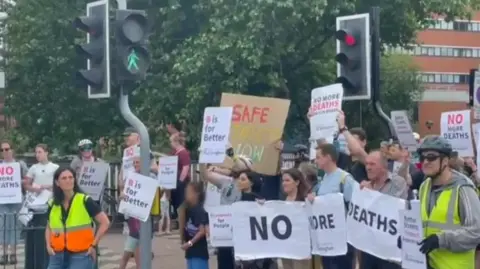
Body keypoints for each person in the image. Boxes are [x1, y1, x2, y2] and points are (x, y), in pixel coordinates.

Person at [415, 136, 480, 269]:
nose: (425, 161)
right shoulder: (424, 186)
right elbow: (422, 223)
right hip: (429, 265)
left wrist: (441, 240)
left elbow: (476, 232)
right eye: (422, 157)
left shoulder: (463, 189)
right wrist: (408, 239)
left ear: (445, 161)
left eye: (431, 157)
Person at [45, 167, 110, 269]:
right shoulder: (52, 203)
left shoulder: (84, 200)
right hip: (57, 254)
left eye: (71, 177)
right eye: (64, 178)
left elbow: (105, 222)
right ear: (57, 183)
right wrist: (48, 245)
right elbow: (49, 227)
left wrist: (93, 245)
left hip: (80, 254)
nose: (68, 180)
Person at [306, 143, 357, 269]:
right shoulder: (323, 179)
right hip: (327, 238)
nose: (315, 161)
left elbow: (354, 207)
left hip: (342, 238)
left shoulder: (345, 178)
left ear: (328, 157)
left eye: (318, 157)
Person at [200, 153, 252, 269]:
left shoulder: (251, 187)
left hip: (240, 232)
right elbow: (206, 175)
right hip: (224, 231)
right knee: (224, 260)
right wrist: (204, 156)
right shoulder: (226, 182)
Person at [359, 151, 408, 269]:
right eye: (366, 164)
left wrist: (371, 193)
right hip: (369, 249)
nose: (368, 168)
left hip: (389, 252)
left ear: (384, 167)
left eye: (372, 164)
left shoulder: (397, 182)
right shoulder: (366, 185)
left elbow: (391, 208)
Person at [0, 140, 28, 264]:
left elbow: (28, 180)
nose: (5, 152)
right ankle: (4, 254)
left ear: (12, 150)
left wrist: (18, 181)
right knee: (3, 225)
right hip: (2, 200)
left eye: (7, 149)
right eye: (2, 150)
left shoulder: (20, 164)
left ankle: (13, 254)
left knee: (16, 226)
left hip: (17, 199)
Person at [280, 168, 310, 269]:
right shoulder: (281, 200)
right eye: (283, 180)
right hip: (286, 247)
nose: (284, 183)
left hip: (301, 247)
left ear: (297, 182)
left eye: (287, 180)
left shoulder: (305, 200)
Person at [179, 182, 209, 269]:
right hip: (191, 253)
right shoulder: (188, 209)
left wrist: (189, 243)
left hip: (199, 253)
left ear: (196, 194)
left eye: (189, 192)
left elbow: (202, 231)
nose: (186, 195)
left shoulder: (199, 210)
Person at [170, 132, 191, 221]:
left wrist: (180, 181)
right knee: (176, 200)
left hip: (181, 181)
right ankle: (179, 218)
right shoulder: (176, 153)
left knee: (181, 200)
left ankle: (182, 219)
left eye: (171, 142)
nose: (170, 144)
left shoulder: (183, 153)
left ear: (175, 142)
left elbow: (185, 167)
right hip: (175, 180)